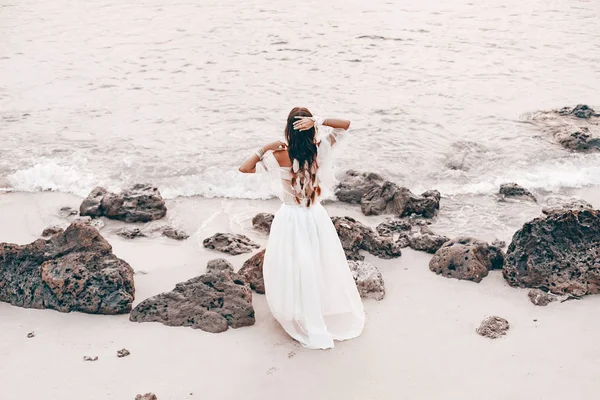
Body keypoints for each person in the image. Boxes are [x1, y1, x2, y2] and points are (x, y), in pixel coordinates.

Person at [238, 107, 365, 349]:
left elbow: (245, 168)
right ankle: (315, 307)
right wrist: (318, 120)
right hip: (315, 215)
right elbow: (345, 124)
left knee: (294, 265)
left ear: (288, 130)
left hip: (291, 219)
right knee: (316, 263)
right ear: (309, 128)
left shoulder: (279, 156)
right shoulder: (319, 150)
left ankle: (299, 310)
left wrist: (265, 147)